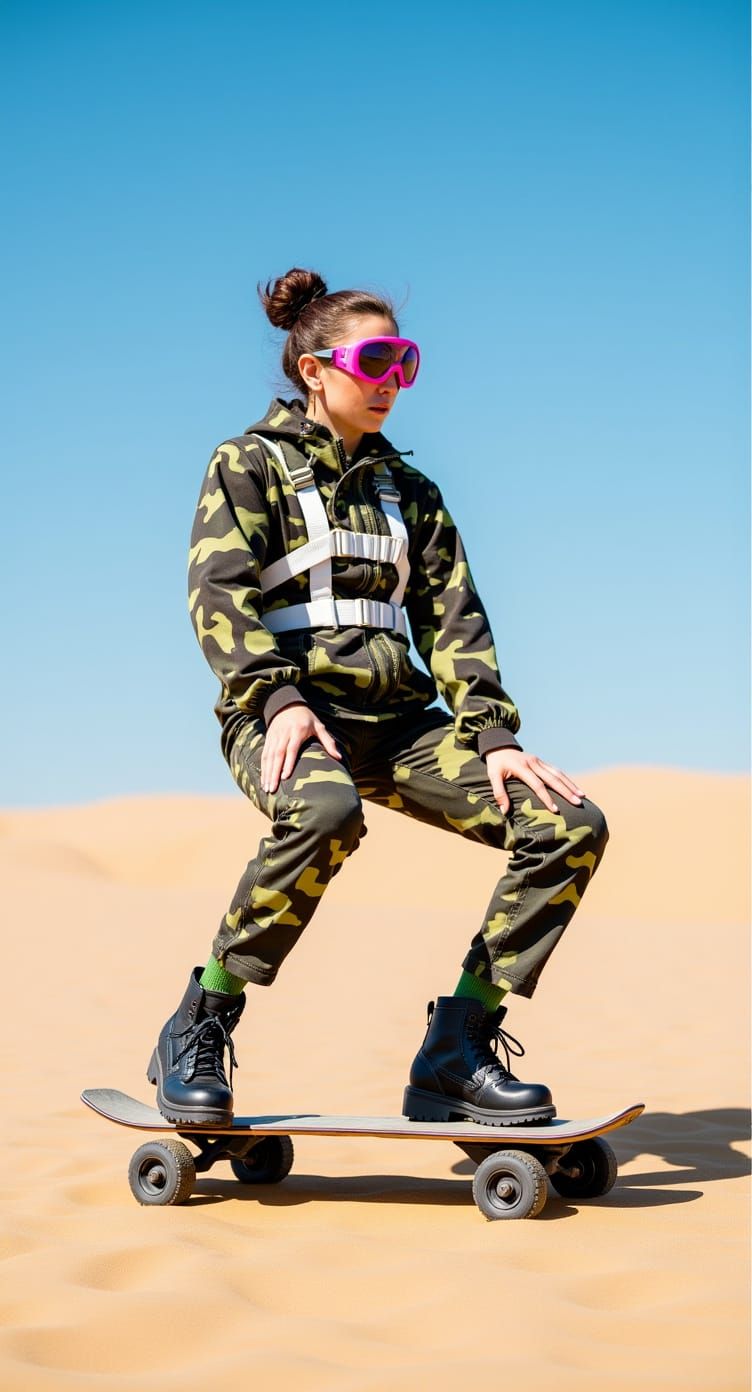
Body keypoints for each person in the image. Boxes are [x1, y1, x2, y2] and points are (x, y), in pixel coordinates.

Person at [147, 266, 609, 1129]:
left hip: (400, 726)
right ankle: (200, 1021)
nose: (391, 381)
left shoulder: (414, 494)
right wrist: (277, 698)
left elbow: (455, 622)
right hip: (281, 717)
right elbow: (219, 597)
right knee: (325, 814)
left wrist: (495, 736)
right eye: (376, 359)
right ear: (315, 368)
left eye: (406, 363)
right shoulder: (247, 464)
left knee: (567, 824)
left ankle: (457, 1049)